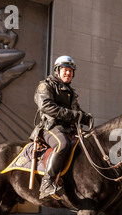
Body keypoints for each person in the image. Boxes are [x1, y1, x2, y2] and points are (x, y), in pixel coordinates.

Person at [30, 55, 92, 200]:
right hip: (50, 127)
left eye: (71, 71)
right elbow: (46, 106)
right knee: (62, 144)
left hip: (69, 129)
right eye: (65, 70)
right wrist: (75, 115)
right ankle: (47, 183)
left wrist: (86, 117)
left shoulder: (72, 93)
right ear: (57, 70)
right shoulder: (46, 85)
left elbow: (77, 112)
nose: (68, 73)